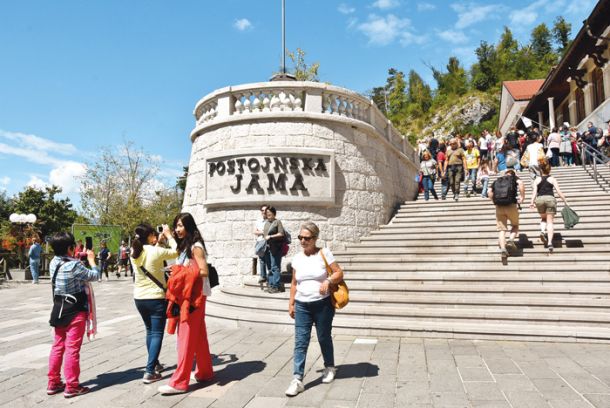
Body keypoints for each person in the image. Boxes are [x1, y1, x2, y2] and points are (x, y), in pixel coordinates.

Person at [285, 222, 344, 397]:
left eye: (307, 238)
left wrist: (328, 281)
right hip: (302, 305)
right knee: (300, 342)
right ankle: (297, 379)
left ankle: (329, 367)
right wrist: (291, 303)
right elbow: (295, 283)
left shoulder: (324, 253)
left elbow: (339, 272)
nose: (303, 241)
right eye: (300, 238)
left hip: (322, 304)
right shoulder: (297, 258)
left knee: (323, 336)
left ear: (315, 238)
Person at [158, 213, 213, 395]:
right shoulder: (185, 246)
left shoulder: (196, 247)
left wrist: (180, 272)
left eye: (180, 225)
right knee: (198, 336)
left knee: (186, 337)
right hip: (190, 295)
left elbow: (203, 271)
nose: (177, 229)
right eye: (176, 226)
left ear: (188, 226)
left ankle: (180, 381)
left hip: (194, 297)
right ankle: (204, 372)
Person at [47, 232, 99, 398]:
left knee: (58, 346)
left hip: (59, 308)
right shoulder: (75, 265)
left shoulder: (53, 262)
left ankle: (53, 382)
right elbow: (94, 276)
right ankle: (72, 386)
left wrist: (75, 257)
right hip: (75, 310)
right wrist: (92, 261)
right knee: (72, 349)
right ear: (70, 248)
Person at [130, 223, 178, 384]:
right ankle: (150, 371)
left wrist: (158, 242)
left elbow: (150, 254)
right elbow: (175, 251)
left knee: (150, 331)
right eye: (154, 235)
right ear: (150, 235)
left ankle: (155, 364)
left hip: (139, 298)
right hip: (156, 298)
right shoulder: (156, 251)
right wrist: (169, 236)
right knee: (157, 333)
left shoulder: (134, 252)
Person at [529, 159, 568, 253]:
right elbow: (558, 191)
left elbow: (534, 192)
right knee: (550, 222)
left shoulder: (537, 180)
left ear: (541, 170)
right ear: (549, 170)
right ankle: (550, 242)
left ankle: (542, 231)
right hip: (550, 199)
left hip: (539, 200)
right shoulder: (552, 179)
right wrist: (565, 201)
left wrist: (531, 202)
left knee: (543, 219)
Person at [489, 169, 525, 264]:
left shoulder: (497, 181)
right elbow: (521, 185)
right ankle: (510, 240)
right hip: (511, 205)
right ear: (513, 174)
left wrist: (494, 201)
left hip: (499, 207)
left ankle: (503, 249)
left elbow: (489, 192)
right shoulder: (514, 179)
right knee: (515, 225)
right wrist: (522, 197)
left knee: (502, 229)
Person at [263, 207, 285, 293]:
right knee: (270, 267)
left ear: (274, 213)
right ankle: (271, 285)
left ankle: (276, 286)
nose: (268, 214)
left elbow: (281, 233)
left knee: (275, 267)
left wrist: (271, 236)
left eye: (269, 213)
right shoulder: (266, 223)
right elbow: (265, 235)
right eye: (267, 213)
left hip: (275, 247)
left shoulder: (277, 222)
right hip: (267, 247)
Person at [253, 204, 269, 283]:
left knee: (269, 259)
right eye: (262, 210)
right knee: (262, 260)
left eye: (266, 210)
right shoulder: (258, 221)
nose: (264, 212)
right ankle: (263, 276)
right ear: (261, 211)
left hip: (269, 242)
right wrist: (262, 232)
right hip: (260, 242)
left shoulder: (270, 220)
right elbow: (255, 231)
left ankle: (270, 276)